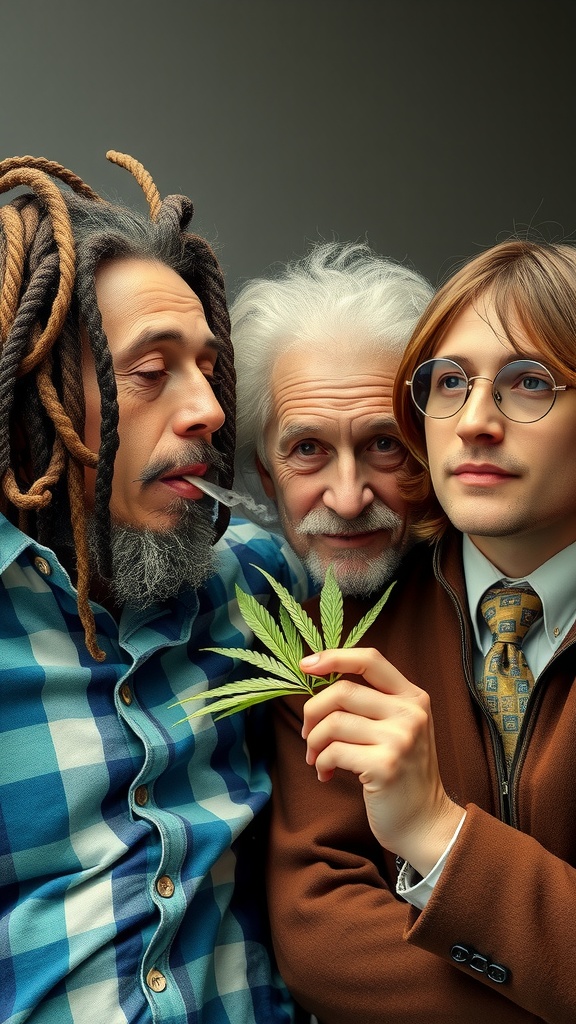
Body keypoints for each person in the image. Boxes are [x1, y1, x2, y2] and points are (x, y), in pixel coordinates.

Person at [0, 152, 308, 1024]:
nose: (208, 407)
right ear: (33, 396)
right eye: (150, 370)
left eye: (207, 366)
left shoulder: (256, 583)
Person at [267, 238, 576, 1024]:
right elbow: (325, 940)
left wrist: (437, 831)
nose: (475, 422)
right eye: (450, 384)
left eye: (529, 383)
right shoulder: (339, 636)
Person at [230, 242, 433, 595]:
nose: (349, 502)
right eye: (307, 449)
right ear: (266, 473)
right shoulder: (253, 593)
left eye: (385, 445)